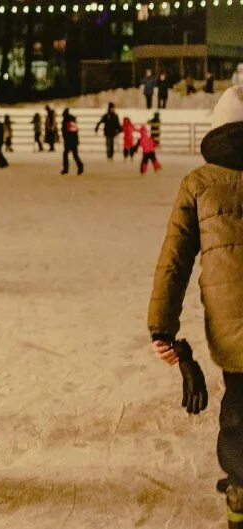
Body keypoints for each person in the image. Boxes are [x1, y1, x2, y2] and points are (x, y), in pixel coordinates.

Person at [147, 86, 243, 529]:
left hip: (230, 323)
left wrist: (161, 328)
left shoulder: (199, 183)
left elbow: (173, 261)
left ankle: (241, 488)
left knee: (239, 404)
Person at [60, 108, 84, 175]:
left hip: (69, 141)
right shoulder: (72, 120)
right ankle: (80, 166)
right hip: (73, 141)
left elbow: (66, 132)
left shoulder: (66, 121)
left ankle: (67, 169)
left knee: (67, 154)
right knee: (74, 155)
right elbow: (75, 131)